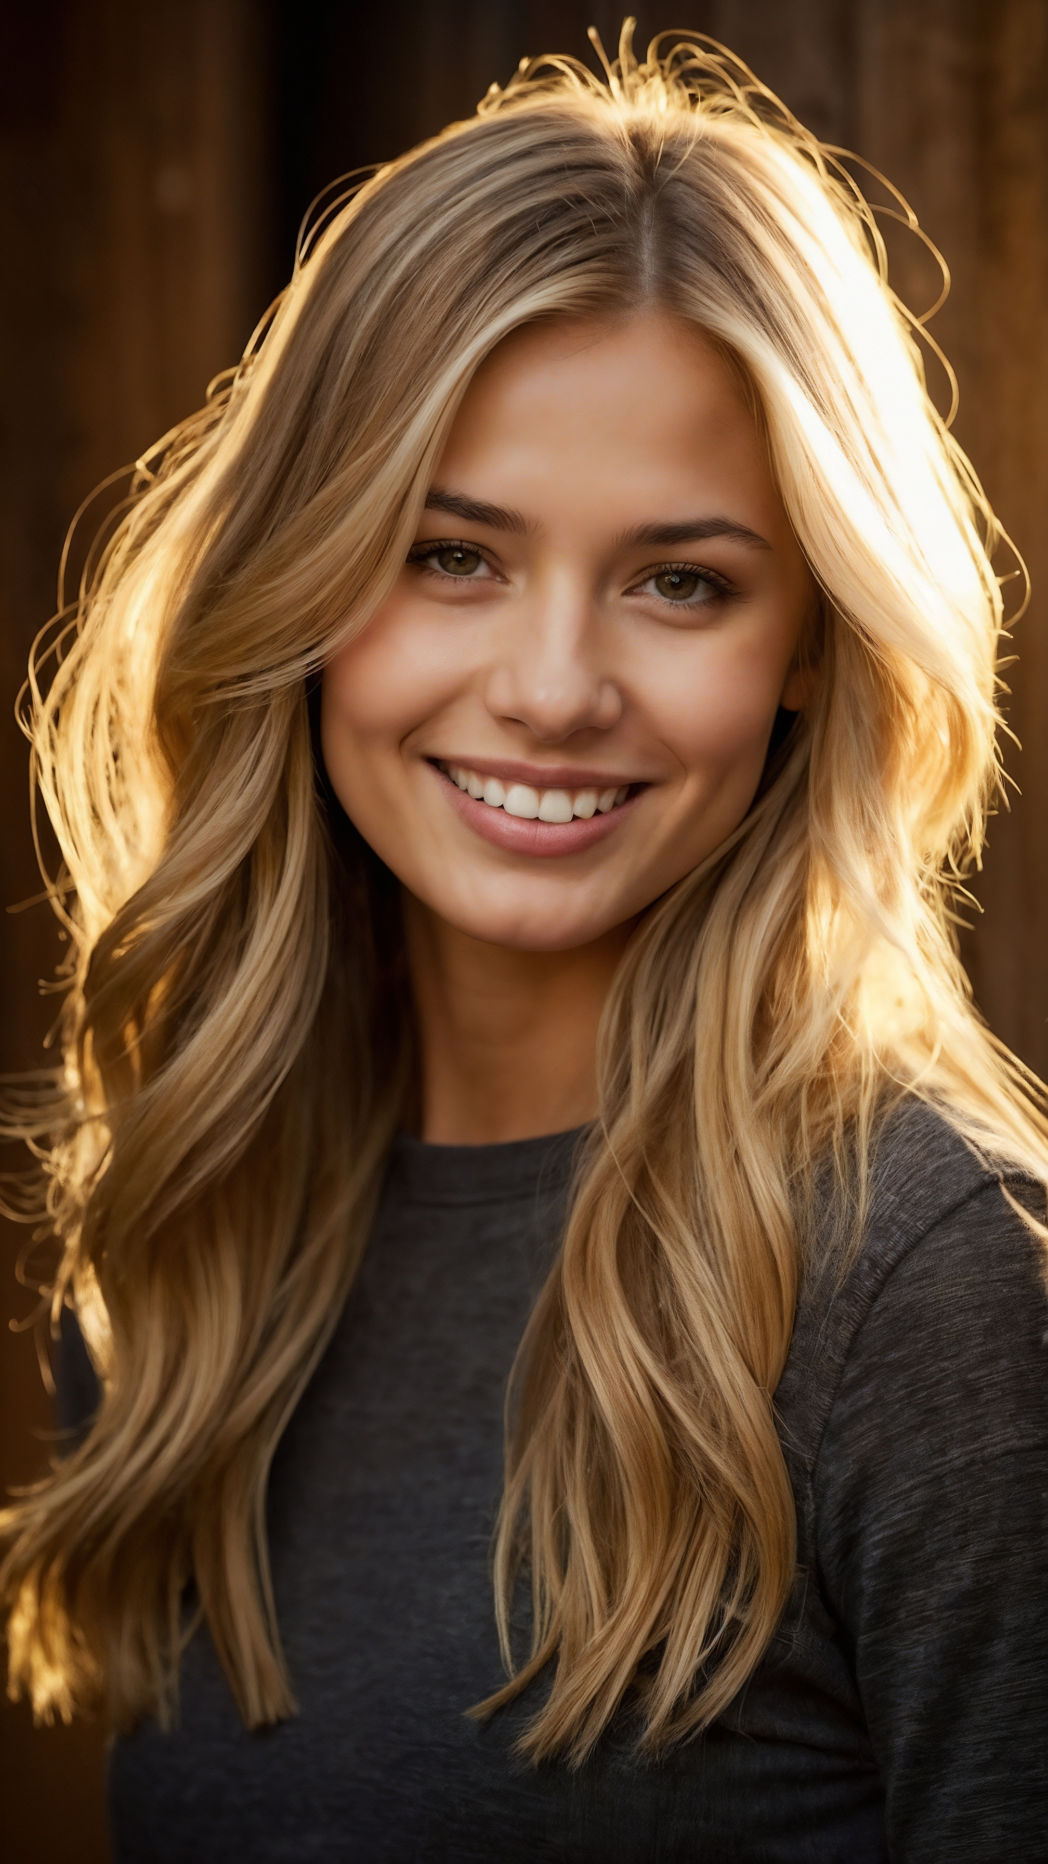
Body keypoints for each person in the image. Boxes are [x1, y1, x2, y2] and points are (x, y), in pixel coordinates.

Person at [3, 22, 1047, 1862]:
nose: (553, 690)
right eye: (451, 554)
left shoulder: (927, 1289)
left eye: (682, 583)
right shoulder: (205, 1250)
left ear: (811, 644)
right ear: (306, 578)